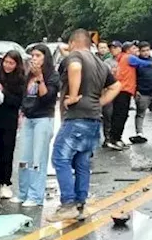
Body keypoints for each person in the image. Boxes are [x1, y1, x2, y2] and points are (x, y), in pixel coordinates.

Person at [48, 29, 121, 222]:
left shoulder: (75, 56)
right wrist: (100, 101)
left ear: (72, 43)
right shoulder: (100, 62)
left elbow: (74, 67)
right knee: (82, 162)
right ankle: (80, 203)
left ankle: (68, 204)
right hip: (93, 118)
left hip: (76, 116)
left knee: (60, 158)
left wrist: (72, 96)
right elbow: (116, 86)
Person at [14, 44, 58, 208]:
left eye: (38, 55)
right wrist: (22, 113)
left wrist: (40, 77)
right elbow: (25, 97)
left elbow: (47, 98)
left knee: (38, 159)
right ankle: (22, 192)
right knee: (24, 157)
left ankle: (35, 195)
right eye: (32, 55)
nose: (34, 59)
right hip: (28, 118)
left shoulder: (52, 76)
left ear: (45, 58)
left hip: (43, 118)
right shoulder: (28, 75)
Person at [0, 49, 26, 200]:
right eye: (6, 62)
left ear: (17, 64)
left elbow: (17, 101)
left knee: (7, 151)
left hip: (9, 118)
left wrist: (4, 92)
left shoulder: (20, 79)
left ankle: (6, 184)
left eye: (11, 63)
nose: (8, 66)